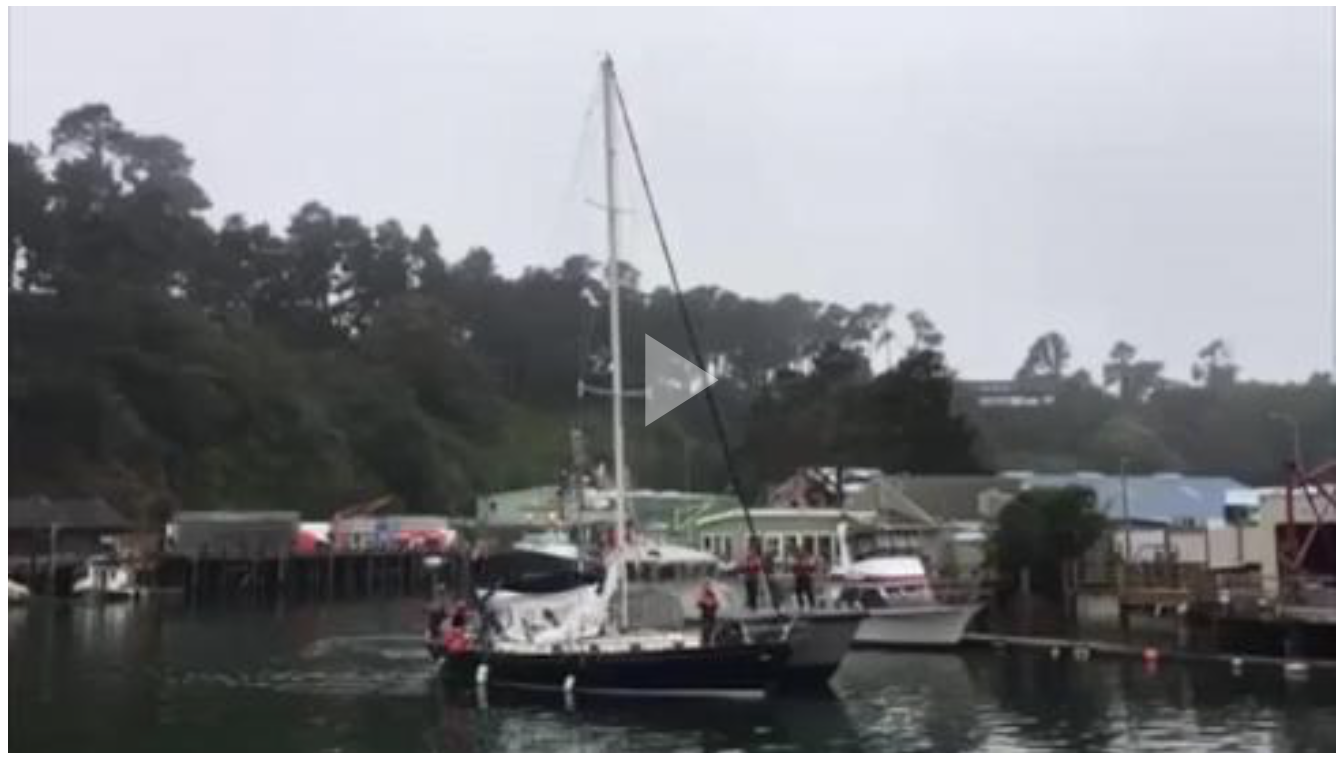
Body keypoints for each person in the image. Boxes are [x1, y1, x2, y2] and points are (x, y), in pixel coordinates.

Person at [696, 581, 720, 646]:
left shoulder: (712, 594)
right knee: (705, 632)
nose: (706, 587)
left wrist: (711, 604)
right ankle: (705, 643)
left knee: (710, 631)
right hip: (706, 616)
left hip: (710, 616)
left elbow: (717, 604)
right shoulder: (703, 595)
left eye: (707, 586)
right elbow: (698, 604)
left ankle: (707, 643)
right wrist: (704, 603)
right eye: (705, 586)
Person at [743, 547, 763, 611]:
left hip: (754, 578)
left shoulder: (757, 559)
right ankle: (749, 604)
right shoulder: (747, 559)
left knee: (754, 592)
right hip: (748, 578)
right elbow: (744, 568)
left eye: (752, 552)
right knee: (749, 591)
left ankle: (754, 605)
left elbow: (758, 569)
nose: (751, 553)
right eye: (750, 551)